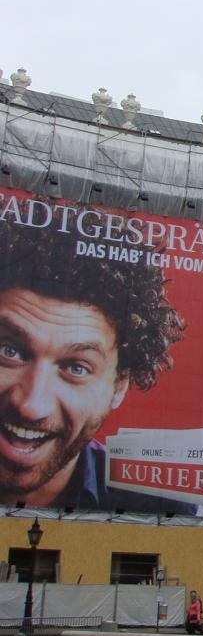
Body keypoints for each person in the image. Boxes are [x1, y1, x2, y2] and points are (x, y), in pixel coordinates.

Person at [0, 200, 188, 512]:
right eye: (10, 351)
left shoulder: (167, 511)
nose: (31, 406)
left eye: (76, 368)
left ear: (119, 386)